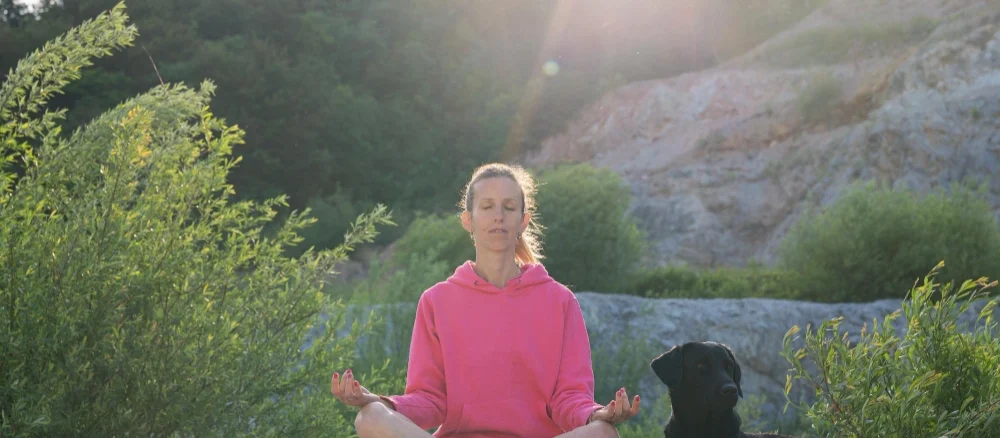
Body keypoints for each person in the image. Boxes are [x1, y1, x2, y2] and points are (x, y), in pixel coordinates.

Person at [331, 163, 640, 437]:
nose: (498, 216)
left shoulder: (560, 300)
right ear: (468, 220)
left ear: (523, 220)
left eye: (509, 207)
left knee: (603, 433)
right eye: (487, 206)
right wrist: (381, 402)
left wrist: (596, 414)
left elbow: (568, 399)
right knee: (370, 417)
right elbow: (430, 399)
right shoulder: (437, 300)